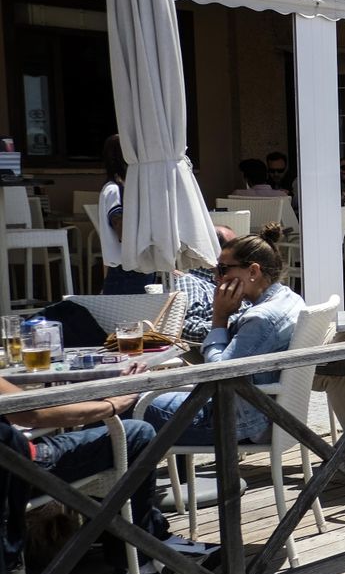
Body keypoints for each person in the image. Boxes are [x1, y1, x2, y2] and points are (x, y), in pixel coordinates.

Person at [1, 372, 217, 574]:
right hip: (21, 469)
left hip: (11, 469)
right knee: (137, 433)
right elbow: (32, 413)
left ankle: (149, 539)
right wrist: (110, 406)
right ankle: (138, 562)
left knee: (110, 422)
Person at [143, 225, 306, 446]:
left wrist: (219, 317)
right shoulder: (290, 298)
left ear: (253, 272)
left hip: (237, 422)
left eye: (222, 269)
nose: (216, 277)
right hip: (268, 413)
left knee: (133, 403)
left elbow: (219, 376)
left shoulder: (261, 318)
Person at [97, 134, 162, 294]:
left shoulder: (128, 189)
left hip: (137, 267)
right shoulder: (114, 190)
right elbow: (122, 231)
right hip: (125, 271)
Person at [173, 226, 239, 344]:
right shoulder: (190, 282)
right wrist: (238, 324)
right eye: (235, 249)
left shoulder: (233, 280)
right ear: (215, 251)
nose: (241, 256)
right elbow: (188, 329)